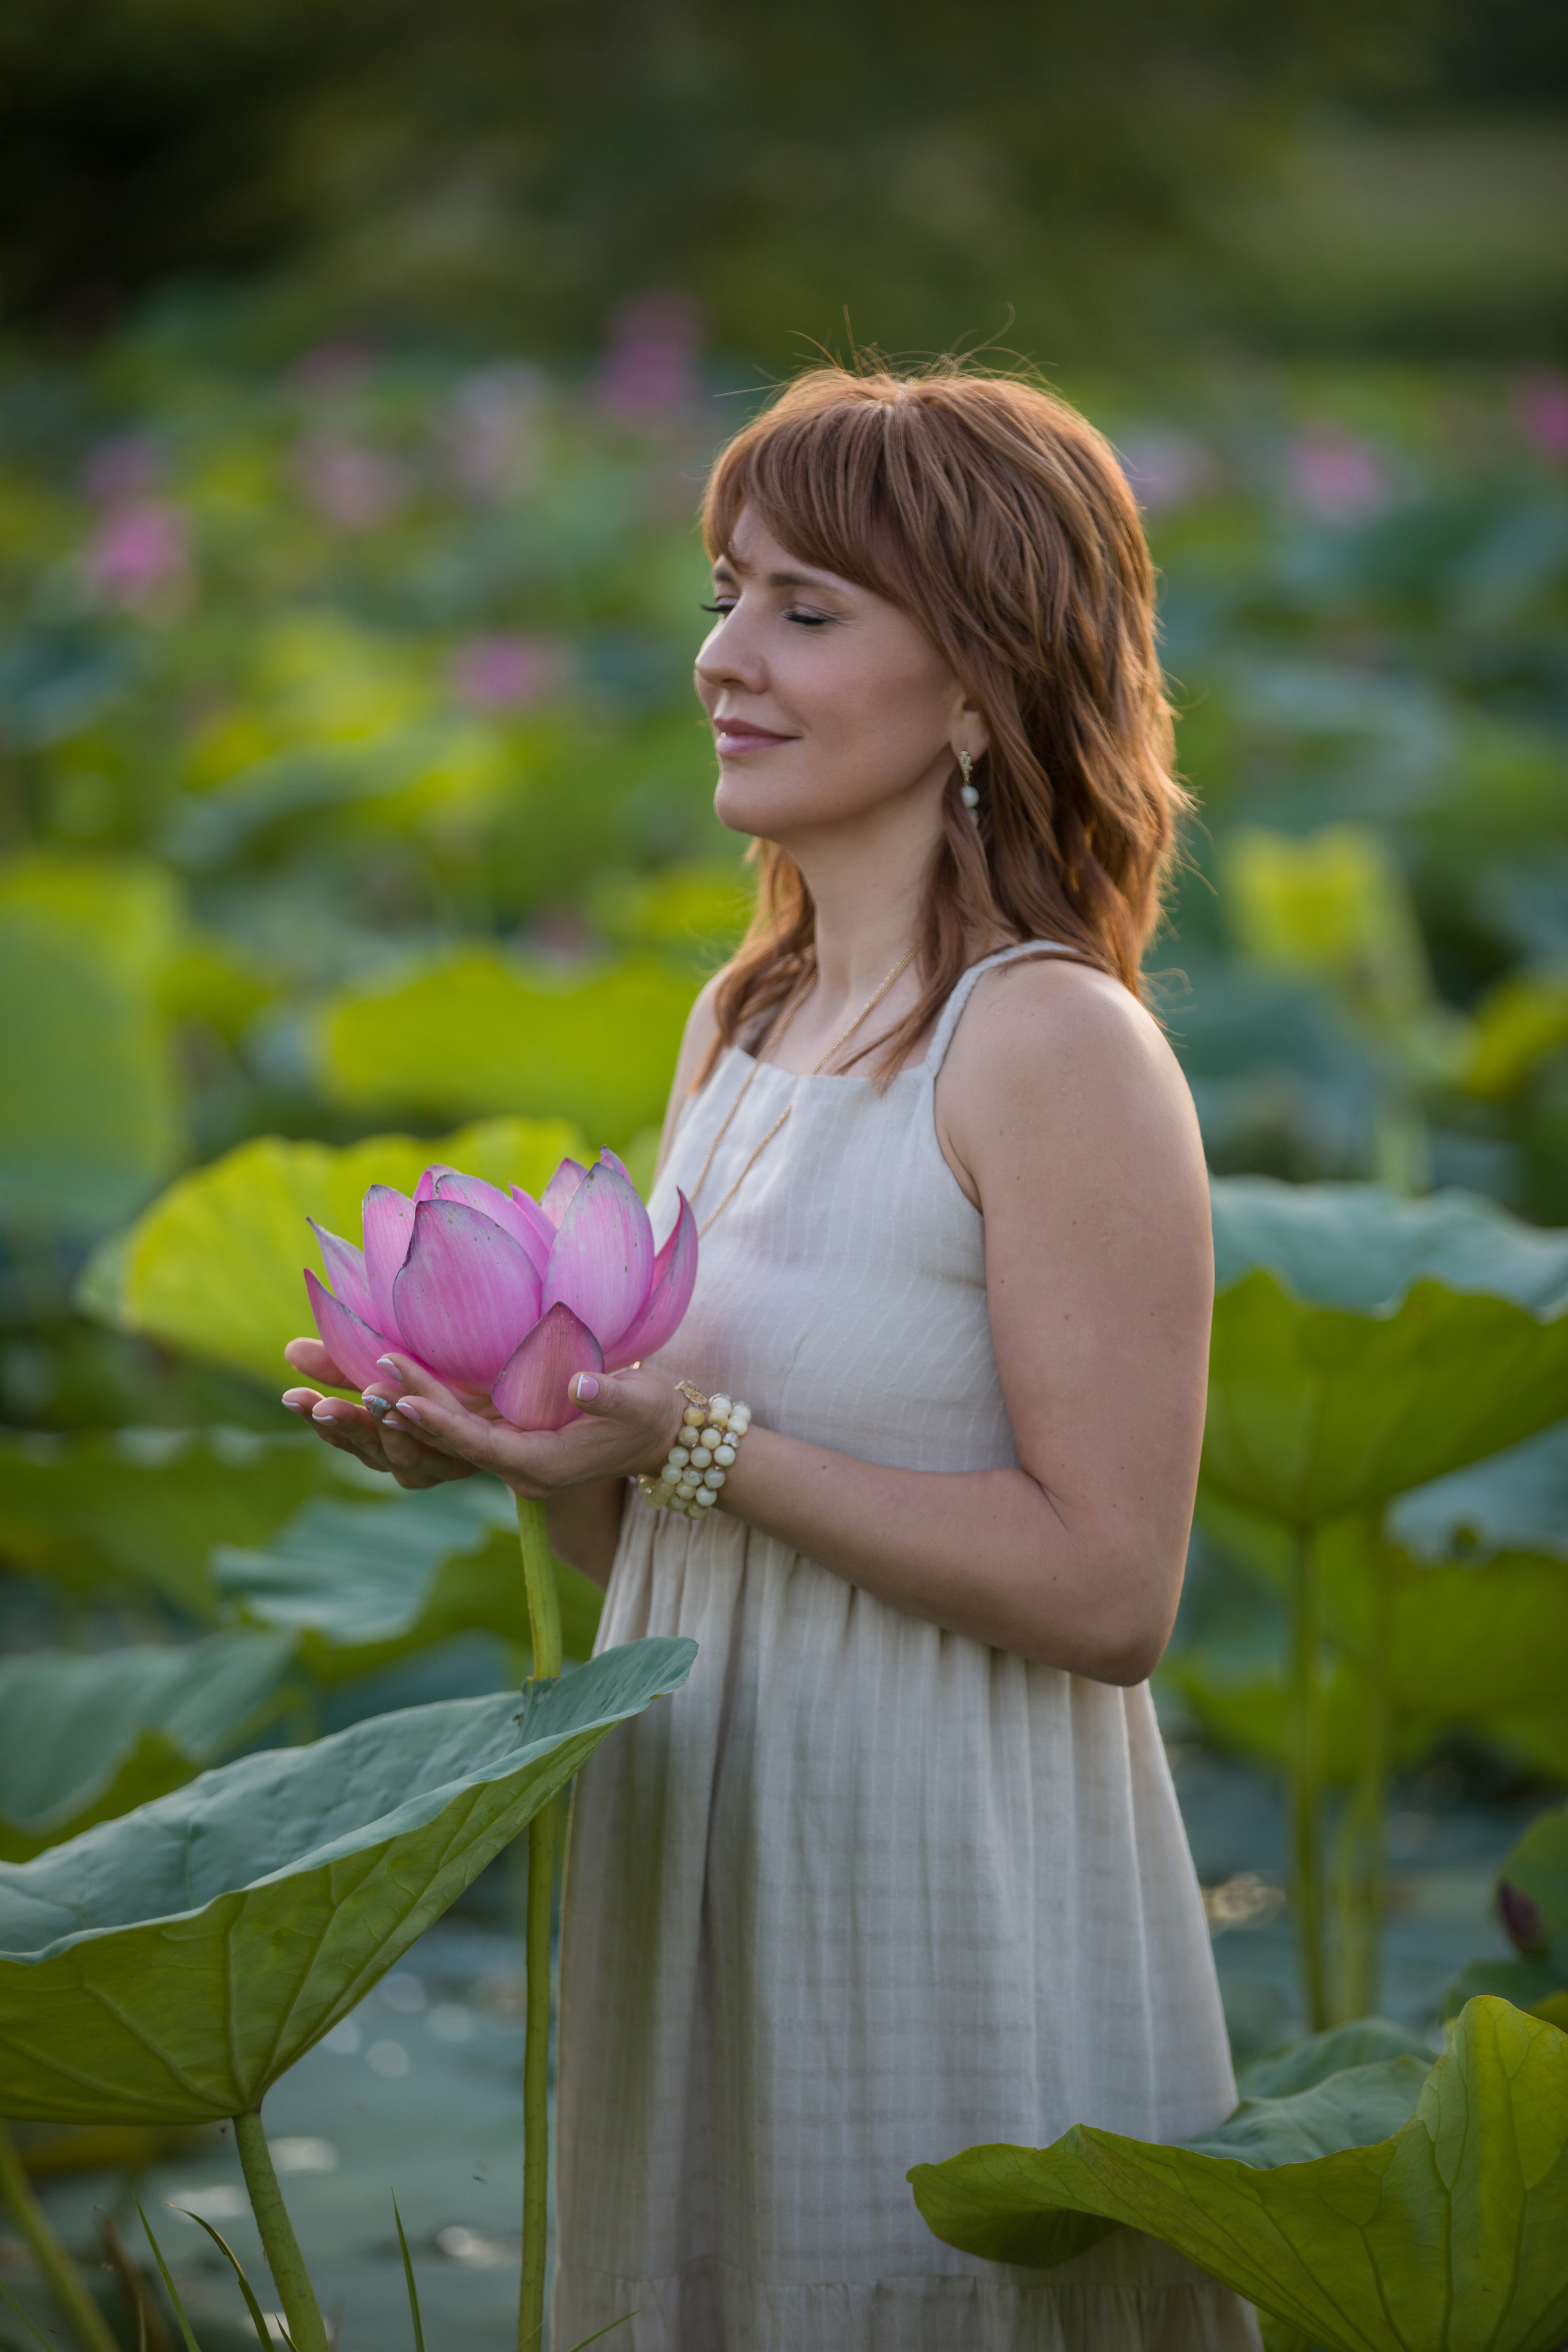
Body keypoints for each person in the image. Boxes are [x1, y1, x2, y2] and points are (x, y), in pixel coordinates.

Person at [284, 361, 1259, 2351]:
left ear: (985, 685)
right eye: (727, 592)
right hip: (707, 1840)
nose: (728, 655)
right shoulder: (744, 1024)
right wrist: (550, 1469)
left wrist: (701, 1444)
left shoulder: (1053, 1047)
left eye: (808, 610)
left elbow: (1110, 1591)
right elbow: (670, 1565)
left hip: (936, 1887)